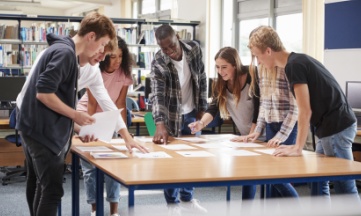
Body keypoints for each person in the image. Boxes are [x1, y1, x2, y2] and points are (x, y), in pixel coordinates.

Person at [15, 12, 117, 216]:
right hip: (42, 131)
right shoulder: (65, 53)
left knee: (44, 188)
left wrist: (77, 127)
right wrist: (75, 115)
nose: (101, 50)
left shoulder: (65, 51)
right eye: (101, 44)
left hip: (37, 127)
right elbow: (43, 93)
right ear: (91, 37)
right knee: (52, 191)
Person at [248, 25, 359, 197]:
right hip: (327, 128)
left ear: (268, 51)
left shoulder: (294, 66)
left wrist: (298, 147)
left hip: (336, 127)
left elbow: (304, 110)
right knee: (319, 183)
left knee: (344, 186)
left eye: (257, 56)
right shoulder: (297, 61)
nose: (258, 62)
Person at [76, 36, 148, 216]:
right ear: (105, 55)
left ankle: (113, 211)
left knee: (114, 167)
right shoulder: (94, 71)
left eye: (121, 56)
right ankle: (95, 209)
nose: (117, 61)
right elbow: (92, 105)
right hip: (87, 116)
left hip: (110, 118)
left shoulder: (124, 73)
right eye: (113, 57)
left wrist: (124, 134)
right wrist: (92, 132)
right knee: (90, 169)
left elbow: (120, 104)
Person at [188, 47, 262, 199]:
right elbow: (213, 108)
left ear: (234, 65)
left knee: (276, 180)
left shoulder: (251, 76)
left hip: (261, 132)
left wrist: (251, 135)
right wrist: (201, 124)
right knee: (248, 177)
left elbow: (259, 109)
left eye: (224, 67)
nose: (220, 71)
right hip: (245, 136)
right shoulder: (221, 84)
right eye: (217, 67)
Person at [149, 24, 208, 215]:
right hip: (170, 116)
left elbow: (202, 77)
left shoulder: (194, 49)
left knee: (191, 160)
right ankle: (172, 205)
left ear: (177, 37)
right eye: (163, 48)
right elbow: (157, 95)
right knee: (170, 163)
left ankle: (188, 200)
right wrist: (159, 124)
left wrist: (202, 109)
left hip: (191, 113)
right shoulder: (158, 60)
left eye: (171, 46)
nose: (169, 51)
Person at [246, 64, 299, 198]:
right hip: (271, 125)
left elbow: (295, 109)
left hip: (287, 125)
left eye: (258, 55)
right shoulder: (262, 69)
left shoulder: (287, 69)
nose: (257, 60)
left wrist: (281, 136)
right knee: (272, 176)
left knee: (280, 177)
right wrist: (258, 129)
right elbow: (264, 103)